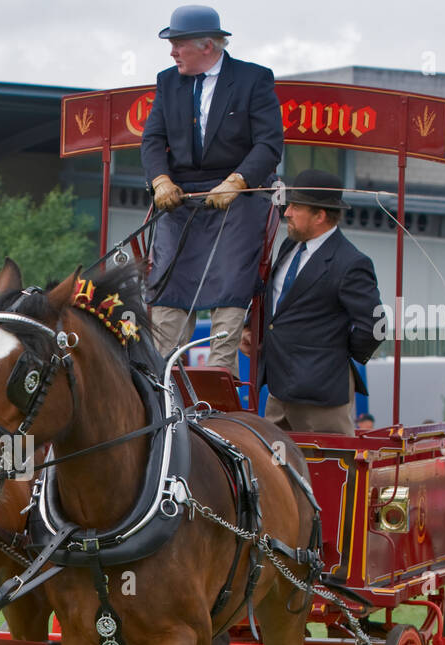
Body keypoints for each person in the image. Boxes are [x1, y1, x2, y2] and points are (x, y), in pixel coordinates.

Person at [141, 4, 283, 372]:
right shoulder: (167, 81)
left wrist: (237, 182)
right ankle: (161, 374)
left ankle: (220, 374)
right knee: (168, 281)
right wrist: (160, 180)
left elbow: (269, 145)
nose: (172, 52)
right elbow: (152, 140)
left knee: (230, 279)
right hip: (180, 197)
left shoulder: (254, 79)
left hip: (239, 197)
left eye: (178, 44)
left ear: (207, 46)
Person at [256, 170, 383, 436]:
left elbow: (375, 325)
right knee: (271, 471)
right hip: (278, 390)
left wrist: (333, 354)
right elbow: (278, 300)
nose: (287, 212)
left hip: (321, 398)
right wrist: (251, 328)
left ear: (320, 216)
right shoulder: (289, 246)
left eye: (296, 207)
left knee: (330, 472)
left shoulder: (350, 263)